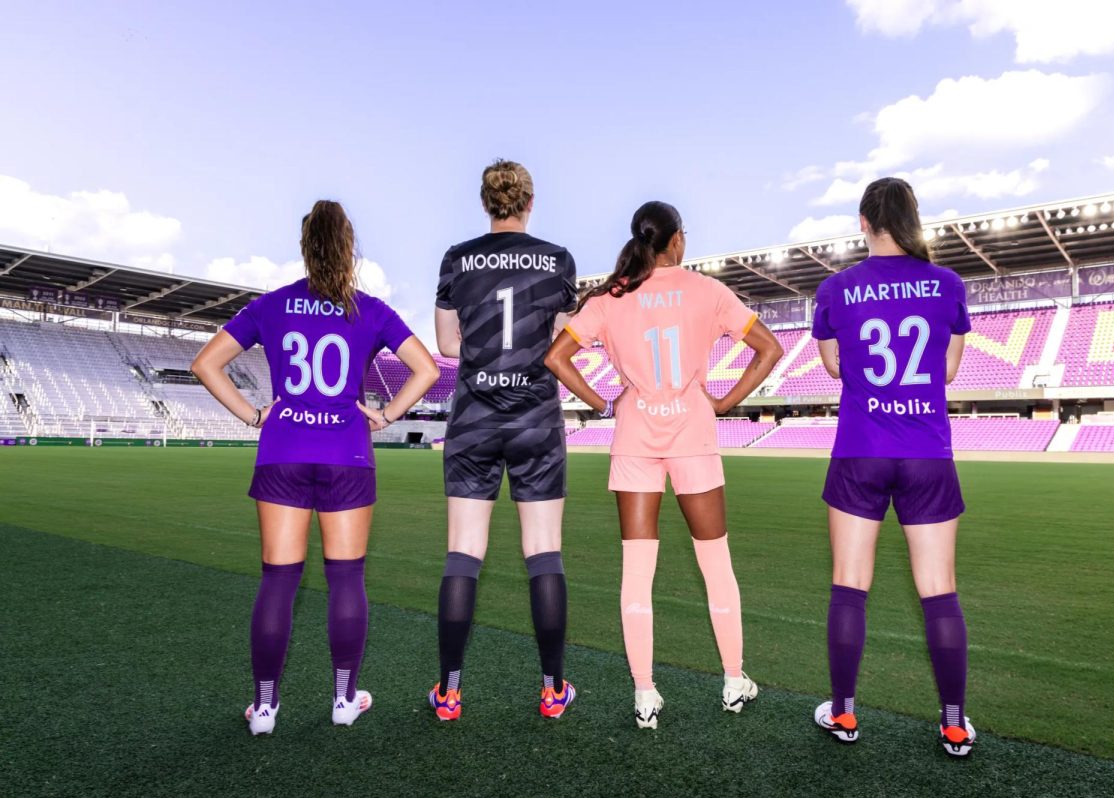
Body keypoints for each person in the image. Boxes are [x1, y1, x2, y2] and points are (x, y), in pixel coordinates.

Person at [192, 200, 439, 735]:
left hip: (282, 450)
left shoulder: (272, 305)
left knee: (279, 582)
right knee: (346, 577)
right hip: (348, 453)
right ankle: (345, 701)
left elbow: (205, 363)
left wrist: (256, 414)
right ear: (349, 248)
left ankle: (264, 709)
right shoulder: (369, 310)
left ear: (306, 248)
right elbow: (425, 367)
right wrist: (388, 414)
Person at [545, 201, 783, 729]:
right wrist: (724, 402)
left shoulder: (613, 297)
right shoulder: (707, 291)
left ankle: (645, 693)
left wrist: (603, 403)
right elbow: (768, 349)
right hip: (693, 434)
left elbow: (556, 357)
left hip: (635, 436)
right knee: (715, 564)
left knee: (637, 574)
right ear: (675, 240)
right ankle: (733, 678)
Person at [809, 177, 975, 756]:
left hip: (860, 449)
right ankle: (954, 722)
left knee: (850, 586)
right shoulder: (946, 283)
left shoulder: (835, 288)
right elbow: (949, 371)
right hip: (929, 453)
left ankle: (845, 714)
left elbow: (832, 367)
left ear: (862, 223)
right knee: (939, 591)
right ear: (912, 219)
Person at [431, 159, 578, 720]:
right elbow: (565, 341)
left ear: (486, 203)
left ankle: (448, 691)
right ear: (529, 203)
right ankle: (552, 689)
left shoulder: (457, 257)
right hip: (536, 418)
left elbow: (448, 345)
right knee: (543, 552)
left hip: (473, 418)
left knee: (464, 553)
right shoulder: (557, 259)